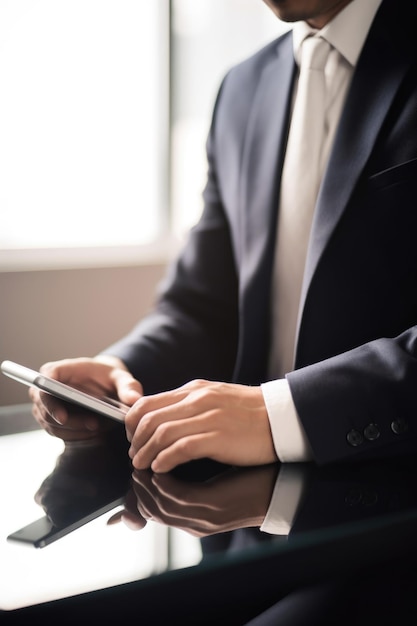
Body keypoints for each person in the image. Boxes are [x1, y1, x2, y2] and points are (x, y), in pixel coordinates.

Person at [31, 0, 417, 475]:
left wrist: (279, 414)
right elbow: (202, 307)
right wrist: (121, 372)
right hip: (241, 507)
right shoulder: (243, 87)